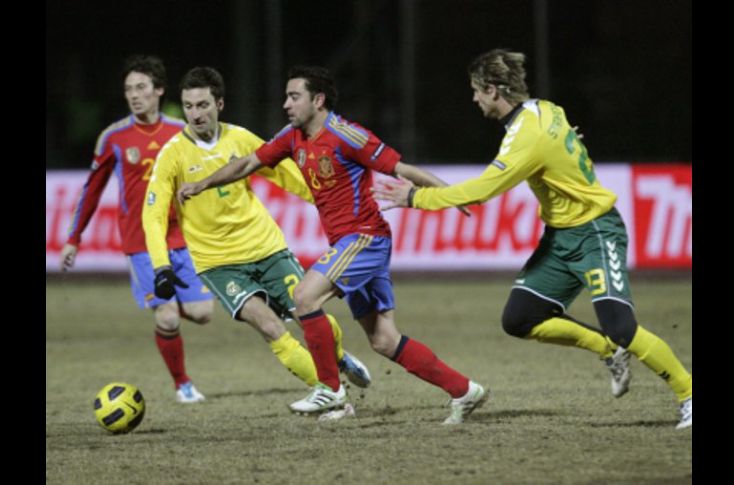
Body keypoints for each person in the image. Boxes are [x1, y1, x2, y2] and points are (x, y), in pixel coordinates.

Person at [373, 48, 692, 429]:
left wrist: (415, 198)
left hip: (594, 231)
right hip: (561, 238)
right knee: (521, 319)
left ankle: (688, 394)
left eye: (476, 90)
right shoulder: (546, 109)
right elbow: (559, 139)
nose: (474, 99)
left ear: (493, 90)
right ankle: (607, 349)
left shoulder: (526, 135)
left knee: (622, 325)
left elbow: (483, 189)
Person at [177, 65, 488, 425]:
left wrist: (449, 195)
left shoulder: (348, 135)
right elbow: (248, 162)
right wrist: (203, 185)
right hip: (347, 243)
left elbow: (401, 168)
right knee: (384, 340)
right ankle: (465, 391)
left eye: (294, 97)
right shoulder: (293, 136)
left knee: (305, 297)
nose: (286, 104)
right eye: (286, 97)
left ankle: (330, 390)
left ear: (318, 100)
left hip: (366, 239)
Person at [142, 66, 372, 402]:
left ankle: (337, 356)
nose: (195, 114)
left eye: (203, 105)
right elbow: (152, 214)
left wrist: (331, 202)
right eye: (189, 106)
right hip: (218, 264)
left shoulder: (241, 139)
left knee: (308, 315)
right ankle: (330, 392)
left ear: (219, 104)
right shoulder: (172, 155)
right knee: (269, 327)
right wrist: (161, 266)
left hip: (267, 250)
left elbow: (287, 175)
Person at [61, 55, 214, 403]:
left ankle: (171, 306)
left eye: (141, 87)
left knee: (204, 314)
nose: (134, 95)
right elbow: (92, 189)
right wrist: (73, 238)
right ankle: (183, 385)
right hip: (141, 242)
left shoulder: (181, 131)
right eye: (129, 89)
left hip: (181, 237)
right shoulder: (114, 137)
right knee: (169, 316)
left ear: (159, 90)